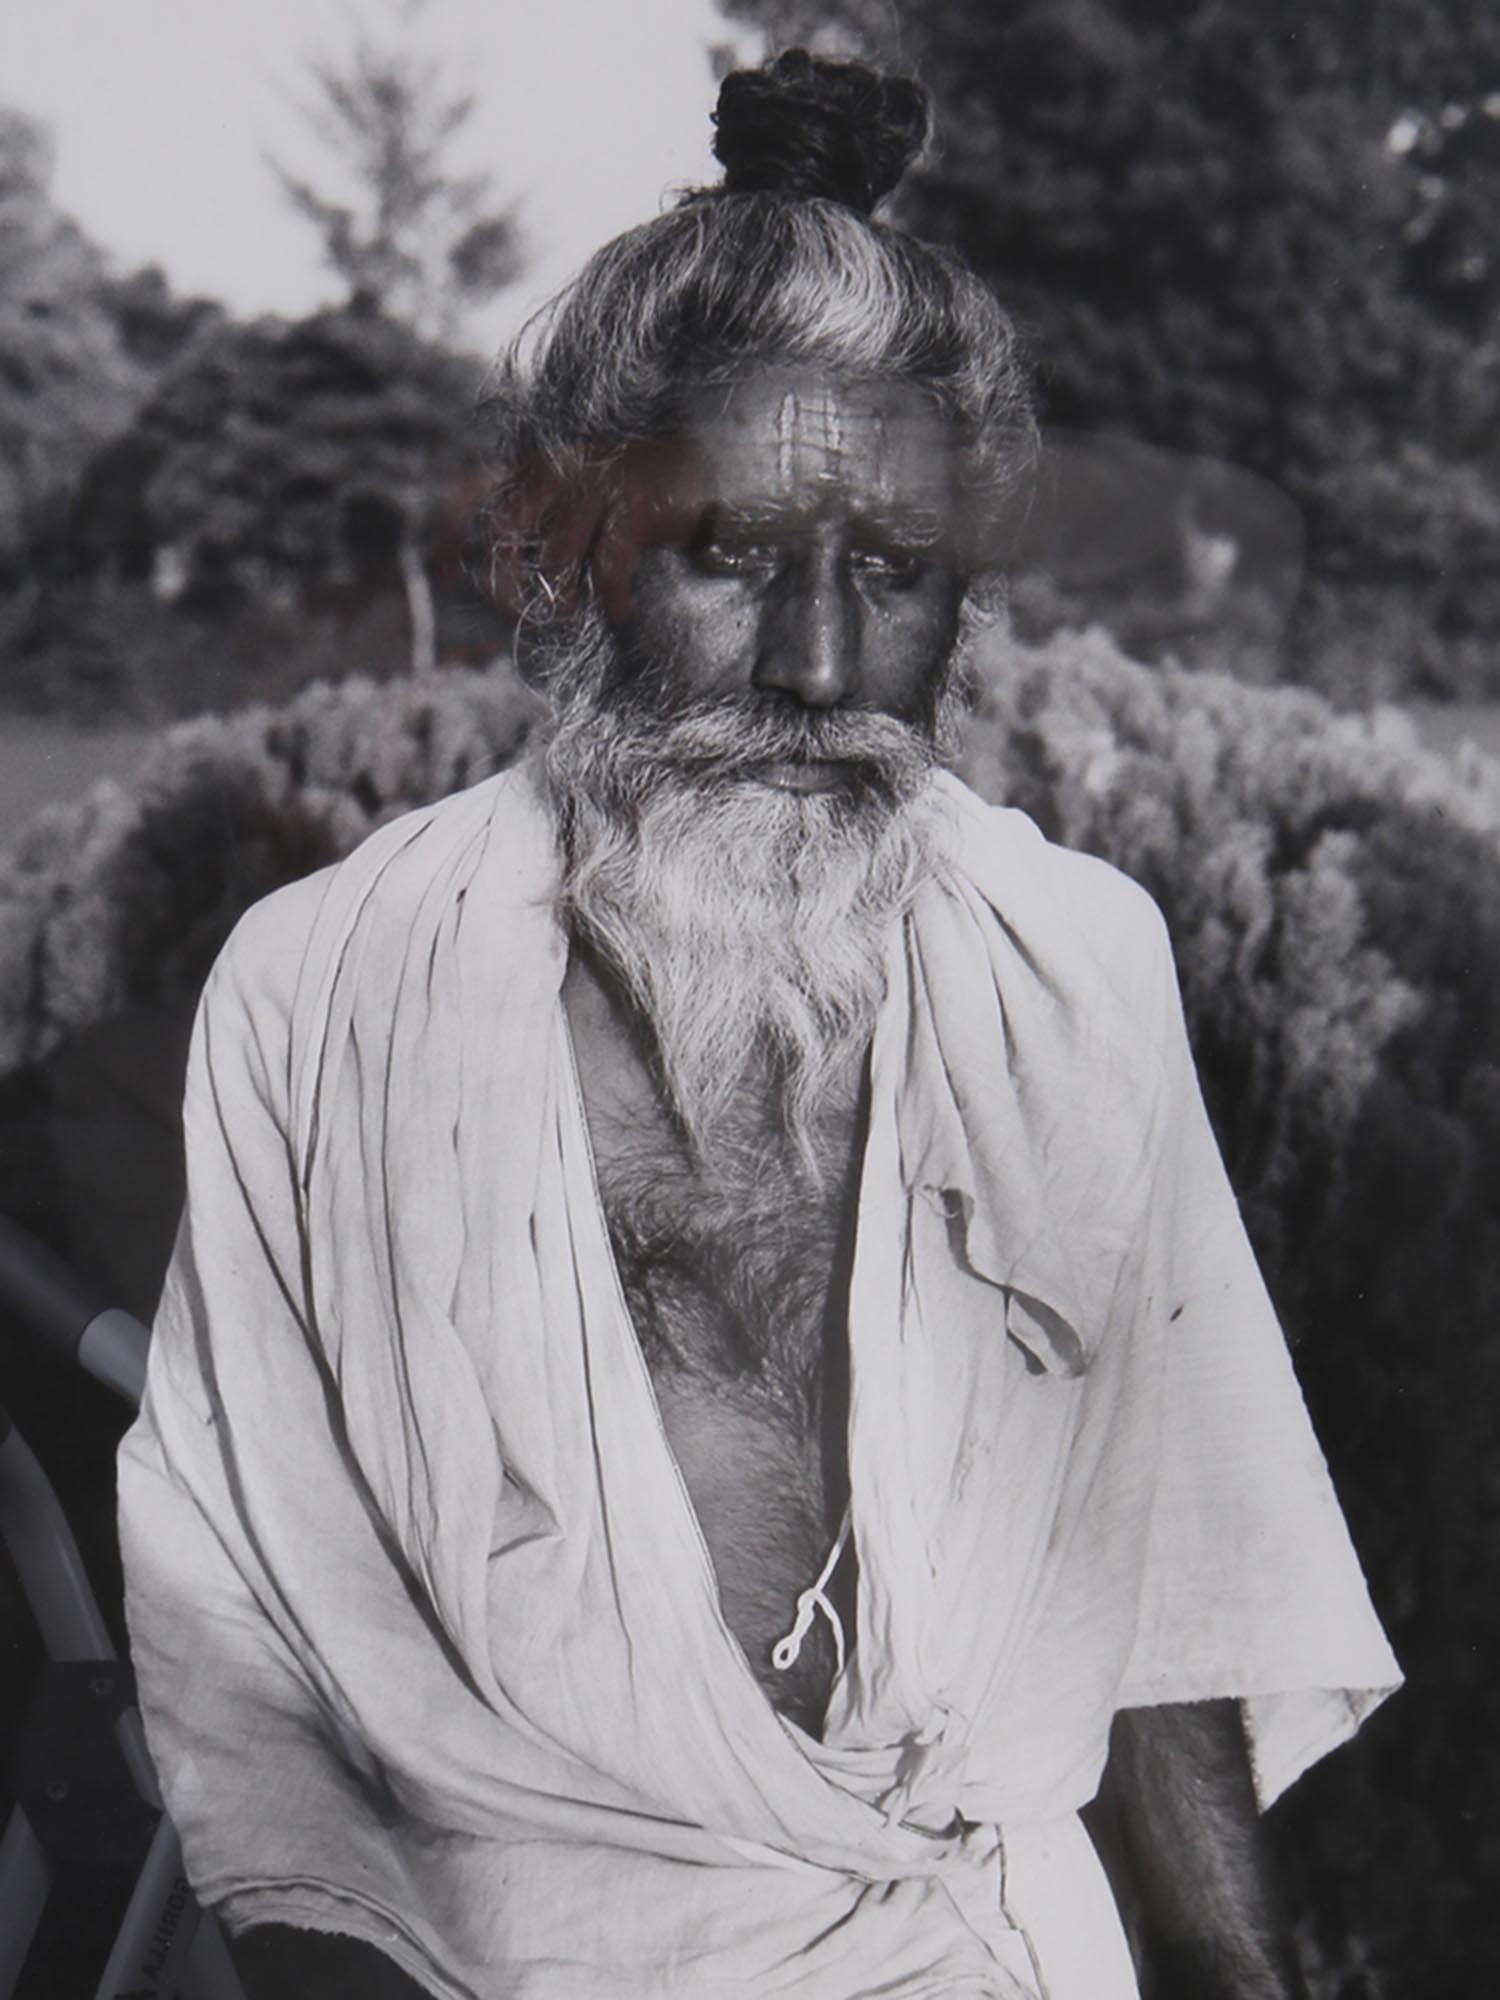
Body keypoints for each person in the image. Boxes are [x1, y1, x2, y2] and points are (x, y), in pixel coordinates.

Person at [118, 50, 1400, 2000]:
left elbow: (1180, 1579)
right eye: (728, 555)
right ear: (566, 550)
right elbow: (247, 1659)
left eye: (889, 577)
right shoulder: (332, 994)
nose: (814, 666)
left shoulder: (1069, 963)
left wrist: (1237, 1975)